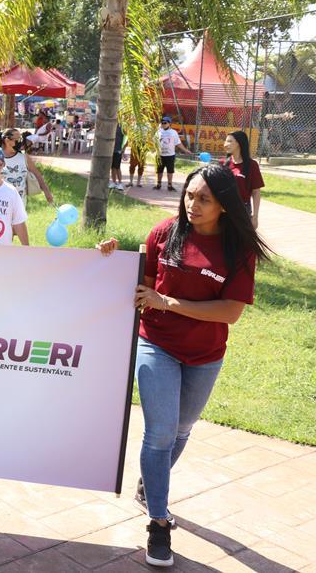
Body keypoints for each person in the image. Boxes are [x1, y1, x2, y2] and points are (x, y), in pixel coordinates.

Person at [96, 164, 269, 567]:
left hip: (206, 355)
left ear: (225, 205)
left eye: (204, 198)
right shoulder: (164, 233)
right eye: (189, 195)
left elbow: (230, 312)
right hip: (156, 343)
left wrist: (170, 302)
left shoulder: (237, 250)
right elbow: (140, 284)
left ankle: (150, 484)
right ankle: (159, 522)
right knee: (158, 434)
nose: (193, 204)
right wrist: (112, 257)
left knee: (181, 429)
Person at [0, 127, 55, 206]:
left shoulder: (24, 157)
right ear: (7, 140)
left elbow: (37, 175)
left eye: (20, 138)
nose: (20, 142)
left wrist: (46, 191)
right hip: (1, 203)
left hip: (20, 203)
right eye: (17, 139)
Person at [222, 130, 264, 228]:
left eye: (229, 141)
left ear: (239, 143)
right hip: (223, 208)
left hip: (243, 209)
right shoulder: (223, 163)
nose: (225, 144)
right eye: (225, 141)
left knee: (241, 240)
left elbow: (256, 192)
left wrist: (255, 217)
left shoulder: (251, 165)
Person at [154, 116, 192, 191]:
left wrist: (185, 150)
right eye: (162, 123)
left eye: (165, 123)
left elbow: (178, 143)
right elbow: (155, 142)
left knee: (170, 171)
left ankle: (169, 185)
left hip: (170, 155)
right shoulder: (158, 132)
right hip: (160, 155)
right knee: (159, 170)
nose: (163, 124)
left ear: (169, 124)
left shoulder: (173, 132)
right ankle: (158, 184)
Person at [110, 120, 126, 191]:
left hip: (118, 150)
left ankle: (120, 183)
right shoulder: (111, 125)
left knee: (117, 167)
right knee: (112, 167)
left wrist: (123, 149)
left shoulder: (122, 126)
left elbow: (127, 138)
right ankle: (114, 182)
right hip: (111, 150)